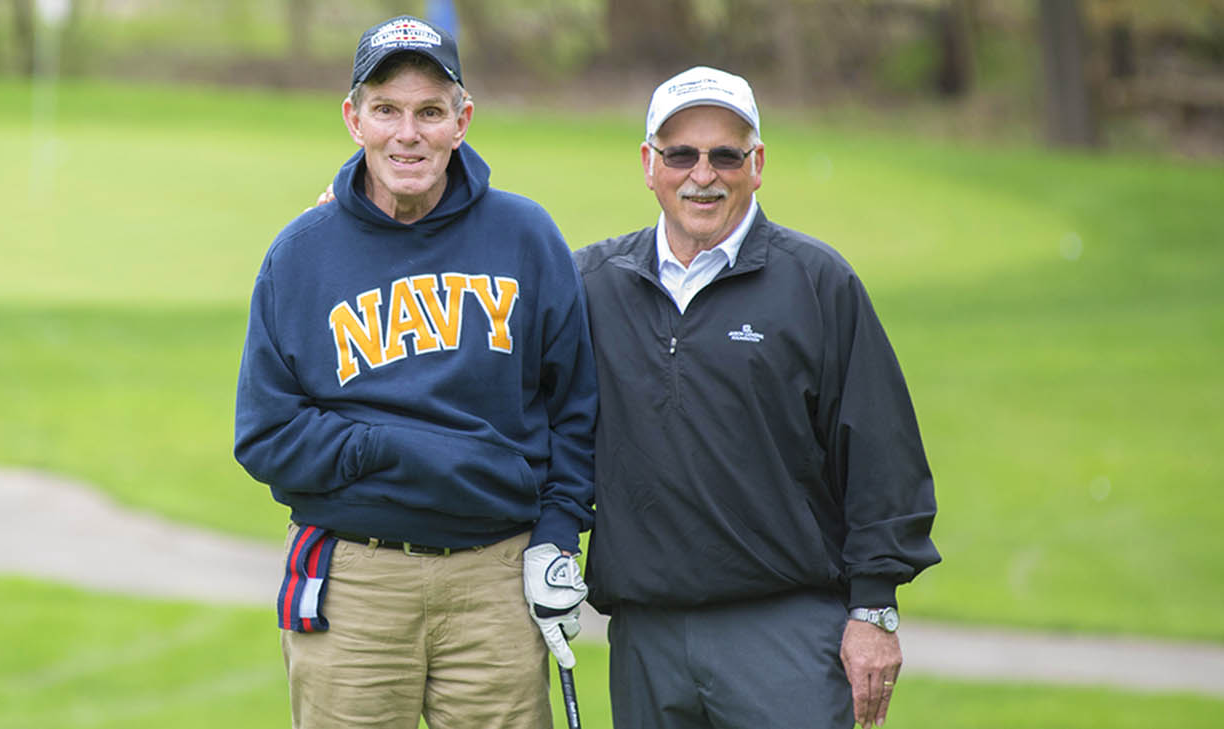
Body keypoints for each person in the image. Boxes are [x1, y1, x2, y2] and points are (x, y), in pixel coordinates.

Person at [233, 15, 596, 729]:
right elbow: (266, 436)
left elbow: (575, 412)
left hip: (494, 577)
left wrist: (556, 537)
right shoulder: (301, 254)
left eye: (430, 111)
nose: (409, 133)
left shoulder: (526, 237)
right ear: (354, 119)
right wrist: (395, 447)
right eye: (387, 110)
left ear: (462, 121)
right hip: (355, 581)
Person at [573, 66, 941, 729]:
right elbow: (492, 335)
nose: (702, 174)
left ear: (758, 163)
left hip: (785, 633)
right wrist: (353, 226)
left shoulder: (817, 283)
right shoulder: (594, 284)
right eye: (680, 153)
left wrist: (874, 609)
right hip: (645, 637)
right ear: (648, 164)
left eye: (726, 155)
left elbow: (881, 452)